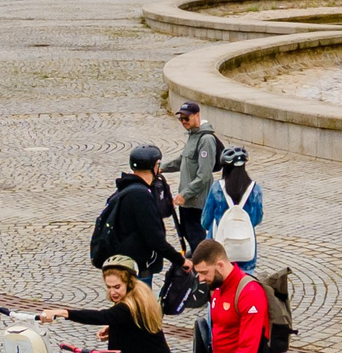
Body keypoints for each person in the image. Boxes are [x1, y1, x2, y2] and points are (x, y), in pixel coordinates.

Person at [40, 255, 173, 353]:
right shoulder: (139, 295)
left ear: (129, 283)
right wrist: (114, 327)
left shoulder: (128, 305)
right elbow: (134, 324)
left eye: (117, 287)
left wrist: (63, 312)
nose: (112, 292)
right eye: (108, 287)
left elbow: (101, 316)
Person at [191, 240, 273, 353]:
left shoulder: (250, 293)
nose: (201, 279)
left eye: (204, 273)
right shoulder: (218, 287)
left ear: (220, 265)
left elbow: (248, 348)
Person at [94, 144, 183, 288]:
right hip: (136, 267)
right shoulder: (141, 195)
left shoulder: (126, 189)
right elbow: (155, 239)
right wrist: (181, 261)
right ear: (155, 166)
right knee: (139, 307)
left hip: (123, 262)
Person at [161, 101, 224, 251]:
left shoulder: (206, 140)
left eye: (186, 118)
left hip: (196, 200)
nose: (183, 122)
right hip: (187, 200)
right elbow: (182, 159)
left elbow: (204, 175)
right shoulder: (193, 136)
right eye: (180, 119)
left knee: (197, 240)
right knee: (188, 234)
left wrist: (185, 194)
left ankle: (203, 270)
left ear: (197, 115)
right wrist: (161, 169)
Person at [201, 147, 264, 273]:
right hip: (245, 249)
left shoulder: (217, 188)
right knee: (244, 285)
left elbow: (205, 221)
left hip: (220, 248)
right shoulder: (255, 189)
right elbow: (257, 219)